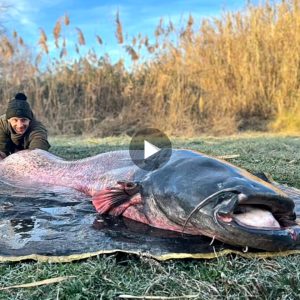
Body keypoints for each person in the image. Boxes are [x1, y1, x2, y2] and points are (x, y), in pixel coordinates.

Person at [0, 92, 50, 159]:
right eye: (15, 120)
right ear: (8, 120)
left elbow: (38, 154)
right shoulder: (2, 123)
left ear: (29, 120)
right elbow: (1, 150)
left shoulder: (38, 129)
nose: (20, 125)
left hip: (29, 156)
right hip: (10, 156)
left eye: (24, 120)